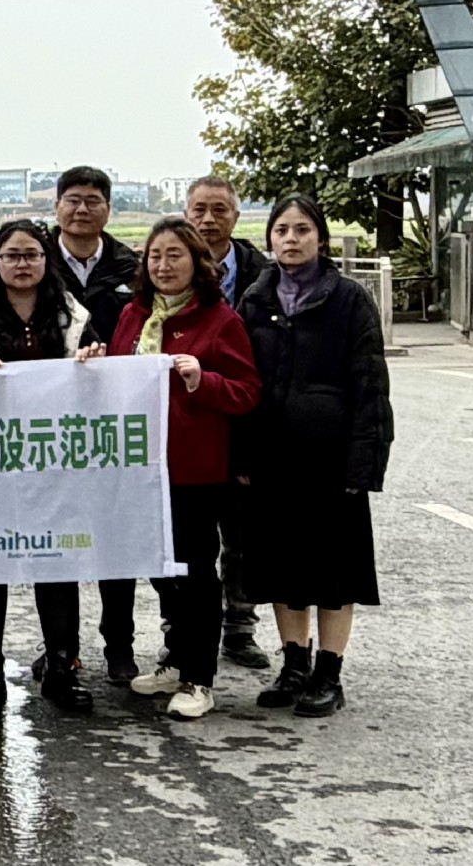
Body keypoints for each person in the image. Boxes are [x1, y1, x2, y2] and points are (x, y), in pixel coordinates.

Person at [234, 193, 394, 720]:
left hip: (331, 459)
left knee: (334, 572)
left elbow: (371, 385)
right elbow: (242, 381)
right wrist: (241, 455)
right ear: (270, 238)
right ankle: (294, 666)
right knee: (282, 568)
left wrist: (365, 462)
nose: (291, 239)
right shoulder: (256, 299)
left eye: (302, 229)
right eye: (282, 230)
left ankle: (329, 673)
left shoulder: (349, 299)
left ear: (320, 239)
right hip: (271, 458)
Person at [0, 216, 102, 716]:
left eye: (32, 254)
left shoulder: (74, 316)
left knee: (57, 565)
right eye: (11, 255)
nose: (22, 264)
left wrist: (94, 362)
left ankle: (61, 667)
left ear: (46, 259)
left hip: (55, 465)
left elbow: (100, 383)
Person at [109, 218, 261, 721]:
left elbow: (247, 391)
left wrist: (203, 379)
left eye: (175, 255)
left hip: (194, 470)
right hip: (138, 467)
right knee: (160, 570)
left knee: (195, 572)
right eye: (155, 256)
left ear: (197, 262)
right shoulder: (134, 315)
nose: (163, 265)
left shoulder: (220, 320)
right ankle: (176, 659)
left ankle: (200, 677)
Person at [41, 165, 144, 685]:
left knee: (114, 539)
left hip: (113, 424)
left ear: (108, 208)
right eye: (73, 200)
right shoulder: (35, 260)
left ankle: (119, 645)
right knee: (54, 540)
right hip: (49, 425)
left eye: (93, 201)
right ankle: (61, 649)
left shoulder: (133, 268)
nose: (82, 209)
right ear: (57, 206)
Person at [186, 174, 274, 673]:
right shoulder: (168, 269)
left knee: (242, 538)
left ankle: (240, 626)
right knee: (189, 543)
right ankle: (181, 632)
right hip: (188, 425)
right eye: (199, 209)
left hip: (245, 419)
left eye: (219, 209)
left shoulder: (265, 276)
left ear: (236, 217)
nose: (208, 219)